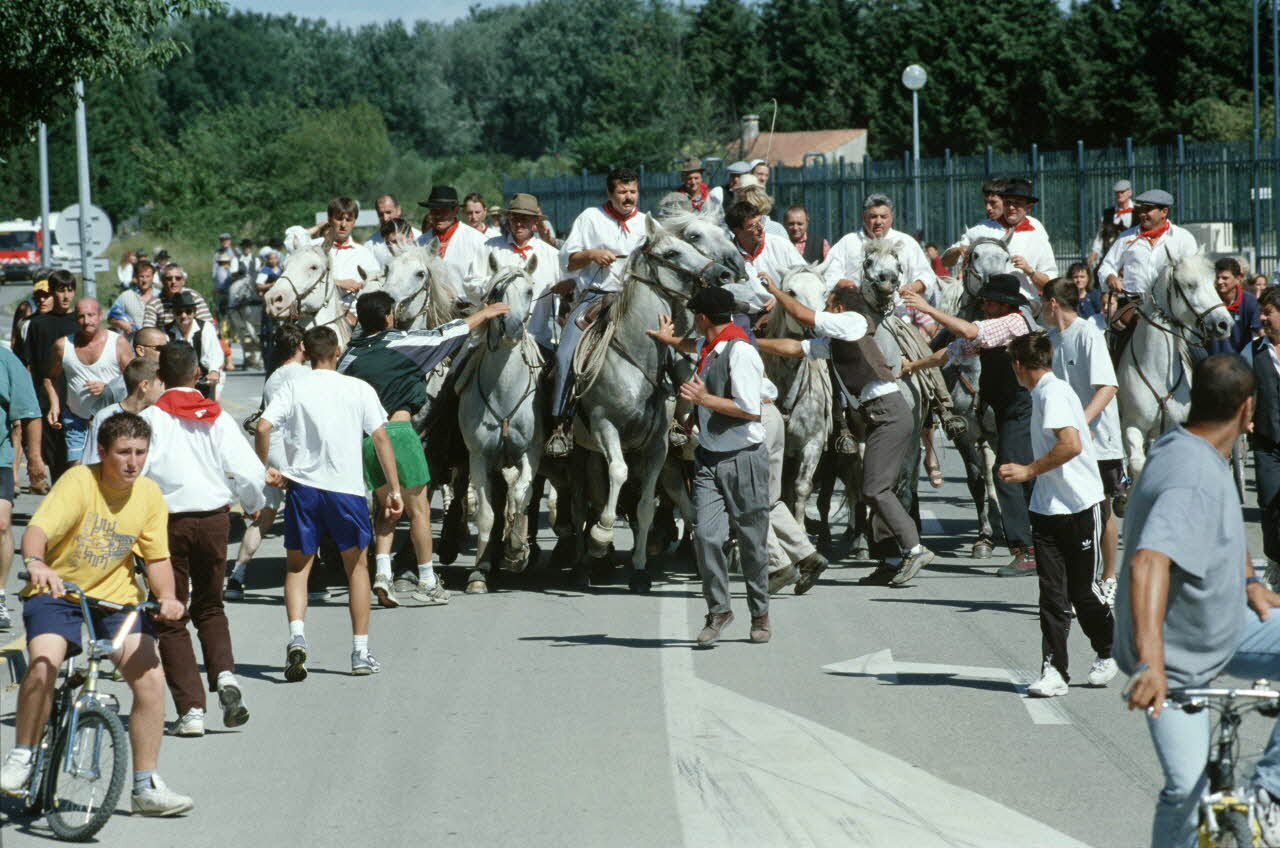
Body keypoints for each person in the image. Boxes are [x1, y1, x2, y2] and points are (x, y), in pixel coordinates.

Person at [1115, 354, 1280, 847]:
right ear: (1248, 410)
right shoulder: (1192, 475)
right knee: (1185, 790)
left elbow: (1219, 535)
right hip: (1176, 655)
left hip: (1221, 622)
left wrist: (1250, 580)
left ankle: (1267, 794)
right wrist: (1152, 665)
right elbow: (1148, 562)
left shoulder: (1195, 445)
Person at [0, 412, 193, 815]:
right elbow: (38, 530)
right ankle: (21, 756)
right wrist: (36, 562)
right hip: (58, 592)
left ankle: (146, 786)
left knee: (151, 679)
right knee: (43, 664)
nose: (133, 462)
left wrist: (170, 596)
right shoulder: (79, 482)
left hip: (115, 600)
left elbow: (157, 559)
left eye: (140, 452)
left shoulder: (149, 496)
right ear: (102, 452)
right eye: (123, 452)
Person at [256, 326, 404, 679]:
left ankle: (297, 636)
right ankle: (359, 652)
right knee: (357, 568)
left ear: (304, 352)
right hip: (346, 490)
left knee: (297, 568)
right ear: (338, 351)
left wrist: (266, 470)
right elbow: (381, 439)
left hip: (303, 488)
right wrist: (394, 490)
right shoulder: (358, 388)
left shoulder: (294, 386)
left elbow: (262, 428)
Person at [764, 282, 935, 587]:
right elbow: (794, 348)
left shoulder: (851, 322)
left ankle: (915, 549)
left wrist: (777, 292)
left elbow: (803, 315)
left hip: (888, 415)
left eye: (828, 305)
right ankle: (891, 561)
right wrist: (752, 342)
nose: (825, 310)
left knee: (875, 489)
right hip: (878, 417)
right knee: (875, 488)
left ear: (839, 308)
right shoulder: (838, 339)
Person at [340, 291, 508, 602]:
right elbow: (448, 332)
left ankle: (383, 575)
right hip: (401, 434)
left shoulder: (350, 355)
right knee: (418, 512)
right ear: (390, 316)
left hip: (368, 442)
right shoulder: (403, 342)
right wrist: (485, 313)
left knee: (386, 511)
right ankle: (428, 580)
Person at [139, 342, 264, 736]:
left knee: (170, 613)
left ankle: (191, 710)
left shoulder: (149, 421)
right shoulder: (218, 419)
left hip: (166, 525)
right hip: (213, 521)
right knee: (211, 606)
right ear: (197, 375)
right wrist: (253, 504)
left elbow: (135, 476)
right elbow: (249, 471)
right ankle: (225, 674)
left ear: (160, 378)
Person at [996, 332, 1114, 697]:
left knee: (1083, 592)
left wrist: (1028, 471)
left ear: (1019, 366)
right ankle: (1054, 672)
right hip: (1047, 509)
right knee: (1051, 595)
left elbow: (1071, 444)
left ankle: (1108, 651)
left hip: (1079, 506)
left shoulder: (1052, 393)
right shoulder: (1044, 392)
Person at [903, 274, 1038, 575]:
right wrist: (913, 366)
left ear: (1005, 304)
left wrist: (927, 308)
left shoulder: (1014, 323)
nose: (985, 306)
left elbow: (968, 329)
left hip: (1021, 409)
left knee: (1006, 473)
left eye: (990, 301)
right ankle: (1040, 543)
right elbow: (950, 352)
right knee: (1023, 476)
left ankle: (1026, 549)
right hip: (1004, 411)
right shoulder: (990, 331)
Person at [674, 286, 772, 646]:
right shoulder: (707, 348)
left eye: (693, 316)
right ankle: (719, 610)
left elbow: (749, 409)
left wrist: (705, 399)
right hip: (708, 460)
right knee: (706, 537)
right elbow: (694, 358)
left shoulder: (741, 352)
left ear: (702, 318)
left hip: (744, 460)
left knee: (751, 543)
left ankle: (760, 612)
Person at [546, 167, 649, 456]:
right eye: (622, 192)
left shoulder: (646, 223)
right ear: (609, 193)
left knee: (672, 348)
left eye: (632, 192)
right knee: (566, 354)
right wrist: (591, 255)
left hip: (637, 301)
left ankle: (678, 420)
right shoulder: (590, 218)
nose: (628, 197)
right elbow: (568, 261)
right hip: (596, 298)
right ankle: (561, 424)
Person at [1040, 278, 1125, 605]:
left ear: (1052, 304)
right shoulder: (1049, 339)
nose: (1040, 309)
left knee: (1100, 511)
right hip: (1066, 441)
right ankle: (1078, 585)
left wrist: (1079, 421)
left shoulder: (1089, 334)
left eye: (1041, 302)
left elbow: (1107, 387)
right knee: (1070, 513)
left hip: (1098, 441)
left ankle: (1108, 578)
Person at [227, 324, 308, 600]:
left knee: (264, 517)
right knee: (304, 513)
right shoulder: (306, 374)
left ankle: (237, 576)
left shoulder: (273, 377)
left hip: (270, 450)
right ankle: (304, 576)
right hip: (294, 451)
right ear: (300, 346)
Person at [44, 298, 133, 470]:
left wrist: (108, 388)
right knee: (79, 474)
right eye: (81, 317)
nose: (86, 322)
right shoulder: (63, 346)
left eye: (91, 315)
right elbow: (49, 378)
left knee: (109, 471)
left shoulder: (117, 343)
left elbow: (133, 379)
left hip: (111, 420)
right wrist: (54, 405)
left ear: (100, 316)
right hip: (76, 420)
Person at [943, 178, 1055, 307]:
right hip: (984, 304)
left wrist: (1030, 271)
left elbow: (1050, 282)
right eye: (1008, 202)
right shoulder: (982, 229)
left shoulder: (1037, 230)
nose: (1011, 207)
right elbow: (946, 262)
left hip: (1024, 304)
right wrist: (958, 250)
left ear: (1029, 207)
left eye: (1017, 203)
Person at [0, 344, 45, 630]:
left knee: (2, 524)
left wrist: (35, 459)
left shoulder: (5, 360)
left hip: (0, 457)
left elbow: (29, 412)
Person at [822, 194, 939, 302]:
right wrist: (842, 283)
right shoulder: (848, 242)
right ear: (863, 217)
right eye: (873, 216)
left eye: (883, 217)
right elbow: (830, 273)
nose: (878, 221)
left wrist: (913, 286)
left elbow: (927, 276)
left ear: (892, 217)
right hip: (855, 312)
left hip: (898, 313)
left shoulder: (906, 242)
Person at [486, 193, 561, 353]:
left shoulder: (551, 255)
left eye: (525, 219)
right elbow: (473, 284)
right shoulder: (490, 248)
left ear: (535, 222)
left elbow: (566, 293)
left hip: (538, 341)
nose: (518, 224)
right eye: (514, 218)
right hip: (496, 342)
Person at [25, 270, 78, 483]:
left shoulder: (79, 321)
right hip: (47, 400)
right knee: (55, 460)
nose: (66, 296)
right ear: (52, 292)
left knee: (77, 461)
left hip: (76, 400)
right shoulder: (38, 324)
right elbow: (31, 366)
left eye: (70, 290)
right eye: (61, 290)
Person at [283, 197, 382, 309]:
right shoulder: (314, 248)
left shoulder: (364, 254)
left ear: (354, 222)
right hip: (317, 314)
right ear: (329, 220)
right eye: (339, 219)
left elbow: (376, 286)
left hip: (353, 316)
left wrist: (364, 286)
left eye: (349, 220)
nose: (343, 225)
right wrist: (338, 283)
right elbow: (292, 240)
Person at [1098, 189, 1198, 298]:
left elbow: (1194, 273)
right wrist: (1110, 277)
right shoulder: (1126, 237)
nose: (1142, 214)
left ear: (1164, 212)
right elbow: (1106, 266)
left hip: (1170, 306)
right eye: (1141, 209)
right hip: (1133, 304)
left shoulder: (1183, 238)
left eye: (1148, 209)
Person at [1249, 286, 1280, 591]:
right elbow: (1241, 389)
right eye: (1261, 312)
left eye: (1268, 312)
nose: (1262, 318)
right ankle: (1275, 560)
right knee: (1271, 504)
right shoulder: (1253, 351)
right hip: (1268, 446)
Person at [724, 200, 803, 315]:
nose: (760, 228)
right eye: (752, 226)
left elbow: (804, 279)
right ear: (736, 231)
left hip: (784, 313)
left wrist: (780, 299)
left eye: (760, 221)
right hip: (745, 318)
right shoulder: (728, 257)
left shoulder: (780, 245)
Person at [416, 186, 489, 304]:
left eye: (444, 210)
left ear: (455, 211)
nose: (438, 215)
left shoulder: (478, 241)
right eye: (434, 211)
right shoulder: (420, 242)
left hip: (467, 309)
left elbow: (486, 280)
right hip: (430, 310)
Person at [940, 177, 1013, 268]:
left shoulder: (1033, 227)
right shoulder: (980, 230)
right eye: (985, 202)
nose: (988, 208)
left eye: (993, 202)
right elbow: (944, 262)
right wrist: (958, 250)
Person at [163, 291, 223, 397]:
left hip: (203, 379)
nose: (183, 315)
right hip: (175, 382)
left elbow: (214, 353)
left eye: (188, 311)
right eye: (179, 312)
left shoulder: (206, 328)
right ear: (173, 313)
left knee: (214, 401)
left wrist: (213, 371)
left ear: (194, 312)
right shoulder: (166, 332)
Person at [1205, 256, 1262, 356]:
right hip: (1211, 363)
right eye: (1217, 277)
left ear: (1238, 279)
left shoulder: (1250, 301)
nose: (1219, 282)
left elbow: (1260, 332)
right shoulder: (1207, 300)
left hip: (1240, 364)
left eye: (1225, 278)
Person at [142, 264, 214, 329]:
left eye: (178, 278)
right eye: (169, 279)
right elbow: (147, 331)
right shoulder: (154, 303)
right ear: (163, 281)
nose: (173, 281)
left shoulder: (194, 296)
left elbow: (208, 326)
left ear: (183, 281)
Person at [1086, 179, 1135, 269]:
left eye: (1122, 192)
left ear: (1129, 193)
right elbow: (1100, 236)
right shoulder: (1107, 213)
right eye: (1117, 192)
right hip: (1111, 258)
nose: (1119, 194)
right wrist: (1093, 254)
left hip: (1132, 258)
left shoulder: (1139, 212)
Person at [366, 194, 422, 268]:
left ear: (398, 210)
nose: (385, 218)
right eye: (380, 214)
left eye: (388, 212)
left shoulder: (419, 238)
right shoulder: (371, 244)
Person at [109, 260, 158, 334]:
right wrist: (121, 323)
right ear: (136, 278)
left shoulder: (160, 296)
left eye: (148, 276)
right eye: (141, 276)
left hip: (158, 342)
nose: (144, 280)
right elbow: (111, 318)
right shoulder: (126, 296)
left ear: (153, 277)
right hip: (133, 342)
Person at [13, 276, 53, 366]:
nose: (41, 300)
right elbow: (17, 350)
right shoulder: (25, 323)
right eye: (37, 296)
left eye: (46, 296)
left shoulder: (63, 321)